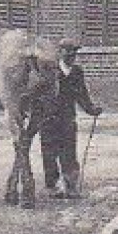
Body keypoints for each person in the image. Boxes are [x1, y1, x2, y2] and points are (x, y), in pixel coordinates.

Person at [40, 39, 101, 198]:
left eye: (74, 52)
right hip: (48, 118)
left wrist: (91, 109)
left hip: (67, 119)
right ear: (60, 52)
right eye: (68, 51)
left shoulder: (77, 72)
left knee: (69, 152)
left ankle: (70, 186)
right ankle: (52, 186)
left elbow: (82, 95)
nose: (71, 55)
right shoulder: (49, 71)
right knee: (49, 152)